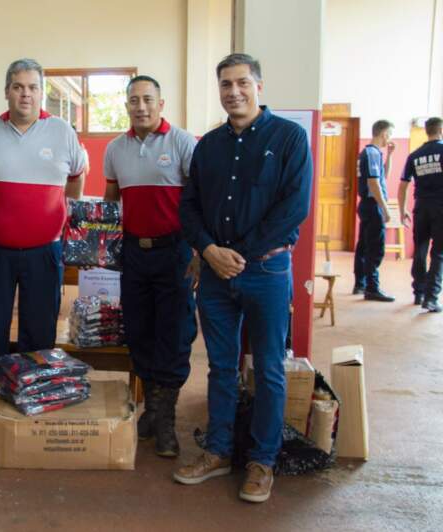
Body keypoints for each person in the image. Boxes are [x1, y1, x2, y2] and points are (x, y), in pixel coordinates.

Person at [176, 53, 312, 503]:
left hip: (267, 272)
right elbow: (189, 207)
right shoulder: (209, 145)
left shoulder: (290, 138)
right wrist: (210, 251)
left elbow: (293, 208)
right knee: (219, 367)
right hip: (215, 274)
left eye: (241, 83)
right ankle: (217, 452)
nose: (233, 92)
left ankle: (262, 461)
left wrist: (242, 255)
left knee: (269, 369)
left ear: (259, 85)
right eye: (225, 85)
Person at [0, 58, 86, 415]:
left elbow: (77, 179)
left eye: (33, 87)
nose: (25, 94)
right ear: (7, 91)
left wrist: (61, 212)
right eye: (18, 87)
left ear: (42, 92)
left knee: (38, 334)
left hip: (44, 252)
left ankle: (33, 404)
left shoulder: (63, 131)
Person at [103, 75, 197, 458]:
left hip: (175, 252)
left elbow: (199, 200)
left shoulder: (182, 143)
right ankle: (152, 409)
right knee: (139, 332)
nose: (140, 106)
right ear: (126, 105)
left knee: (174, 334)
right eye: (133, 100)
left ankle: (165, 419)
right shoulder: (115, 149)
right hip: (133, 254)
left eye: (147, 99)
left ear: (161, 103)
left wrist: (197, 253)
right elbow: (110, 203)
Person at [398, 116, 443, 312]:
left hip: (421, 207)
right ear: (440, 130)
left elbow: (403, 185)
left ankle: (419, 293)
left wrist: (402, 210)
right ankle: (431, 298)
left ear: (427, 130)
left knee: (420, 250)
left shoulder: (414, 155)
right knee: (439, 253)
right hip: (440, 207)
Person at [352, 120, 396, 301]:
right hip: (372, 205)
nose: (389, 139)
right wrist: (385, 209)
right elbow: (373, 182)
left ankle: (361, 284)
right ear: (384, 133)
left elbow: (383, 177)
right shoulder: (370, 153)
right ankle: (372, 287)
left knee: (364, 245)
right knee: (374, 248)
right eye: (390, 135)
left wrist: (390, 155)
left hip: (369, 205)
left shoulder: (373, 153)